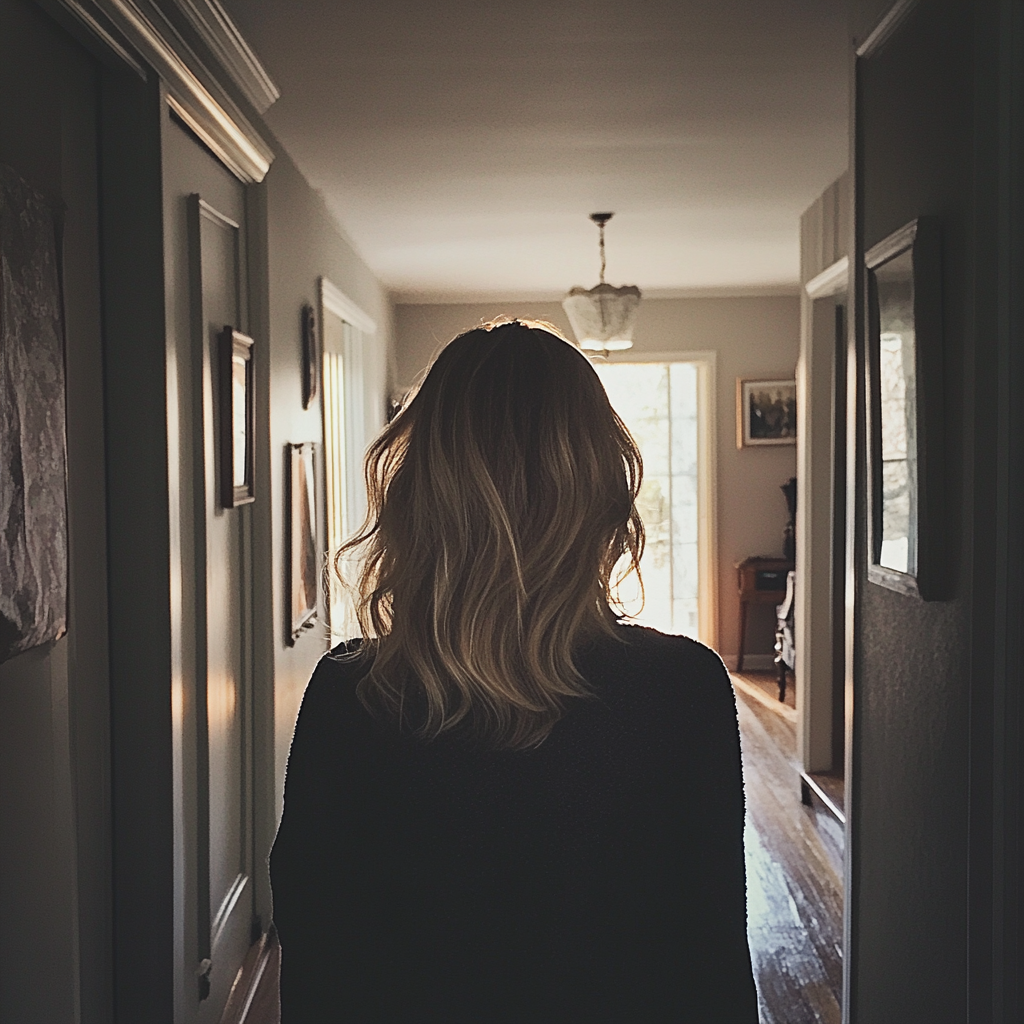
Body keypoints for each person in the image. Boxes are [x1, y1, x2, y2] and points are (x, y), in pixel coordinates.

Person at [270, 319, 758, 1023]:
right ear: (600, 489)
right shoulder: (681, 688)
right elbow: (710, 956)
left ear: (419, 490)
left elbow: (319, 964)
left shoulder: (352, 695)